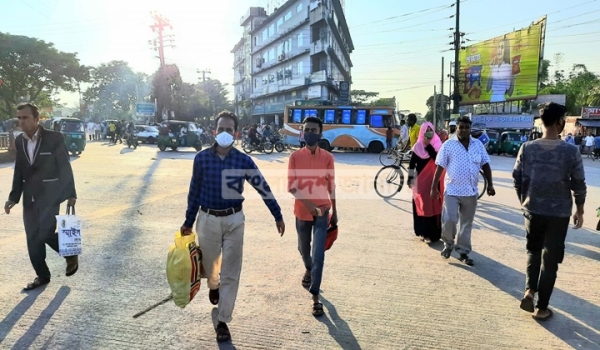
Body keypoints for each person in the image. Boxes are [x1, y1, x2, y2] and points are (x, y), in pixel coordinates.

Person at [180, 110, 285, 343]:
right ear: (214, 131)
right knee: (211, 269)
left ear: (235, 133)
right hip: (207, 220)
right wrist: (188, 222)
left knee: (232, 272)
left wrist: (277, 215)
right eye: (221, 129)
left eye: (229, 130)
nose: (225, 133)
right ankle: (214, 286)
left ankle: (222, 321)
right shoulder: (202, 159)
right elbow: (194, 192)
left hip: (234, 221)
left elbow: (262, 187)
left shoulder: (243, 160)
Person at [512, 102, 586, 321]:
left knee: (533, 252)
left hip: (533, 210)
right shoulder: (571, 151)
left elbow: (517, 178)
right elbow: (579, 184)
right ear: (559, 122)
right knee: (550, 260)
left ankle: (529, 291)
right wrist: (580, 210)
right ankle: (542, 308)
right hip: (558, 214)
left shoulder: (527, 147)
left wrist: (525, 201)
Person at [4, 103, 78, 290]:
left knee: (45, 233)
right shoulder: (20, 141)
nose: (21, 121)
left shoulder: (54, 138)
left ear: (37, 119)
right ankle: (42, 275)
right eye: (19, 118)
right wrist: (13, 197)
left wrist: (70, 192)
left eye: (25, 117)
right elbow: (19, 170)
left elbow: (63, 165)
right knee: (32, 238)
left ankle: (70, 254)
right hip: (30, 197)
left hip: (50, 195)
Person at [287, 116, 337, 317]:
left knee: (319, 254)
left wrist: (335, 212)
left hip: (323, 212)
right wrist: (308, 205)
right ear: (302, 131)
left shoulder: (328, 158)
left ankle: (315, 297)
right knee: (303, 248)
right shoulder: (295, 157)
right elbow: (292, 186)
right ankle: (308, 269)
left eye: (314, 130)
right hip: (302, 212)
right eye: (307, 129)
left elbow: (331, 186)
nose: (310, 133)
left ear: (320, 133)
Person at [431, 116, 495, 265]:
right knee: (450, 220)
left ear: (470, 129)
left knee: (466, 224)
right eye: (461, 127)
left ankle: (463, 252)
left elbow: (485, 165)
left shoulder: (478, 145)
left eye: (467, 127)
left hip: (471, 192)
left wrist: (490, 184)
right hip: (452, 190)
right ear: (456, 128)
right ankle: (448, 244)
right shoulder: (448, 145)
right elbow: (440, 166)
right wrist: (434, 187)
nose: (464, 130)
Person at [407, 122, 444, 244]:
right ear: (422, 133)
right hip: (421, 182)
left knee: (434, 206)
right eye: (426, 133)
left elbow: (438, 160)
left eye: (430, 132)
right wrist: (410, 179)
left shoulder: (438, 145)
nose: (428, 135)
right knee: (423, 206)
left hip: (434, 181)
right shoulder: (418, 146)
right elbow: (412, 164)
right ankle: (424, 233)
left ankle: (435, 234)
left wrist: (429, 147)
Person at [486, 37, 515, 103]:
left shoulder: (508, 67)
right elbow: (487, 89)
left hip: (503, 101)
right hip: (492, 100)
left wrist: (514, 77)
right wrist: (491, 69)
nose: (499, 50)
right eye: (498, 47)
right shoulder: (494, 67)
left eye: (502, 47)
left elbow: (509, 93)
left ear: (506, 51)